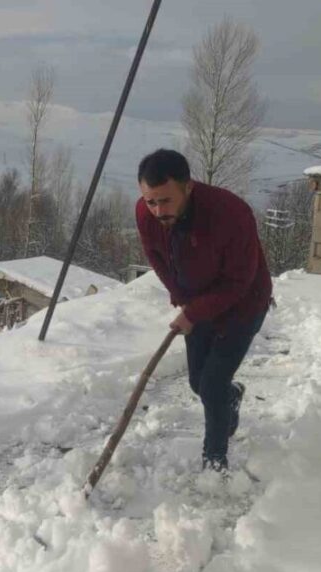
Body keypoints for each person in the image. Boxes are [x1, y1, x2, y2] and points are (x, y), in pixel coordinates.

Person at [134, 149, 272, 472]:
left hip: (244, 304)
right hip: (197, 302)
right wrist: (180, 295)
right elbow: (154, 254)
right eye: (150, 201)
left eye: (165, 201)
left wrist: (193, 313)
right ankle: (231, 395)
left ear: (188, 187)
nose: (156, 210)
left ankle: (214, 461)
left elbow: (240, 282)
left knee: (211, 383)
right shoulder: (146, 214)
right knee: (199, 382)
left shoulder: (231, 214)